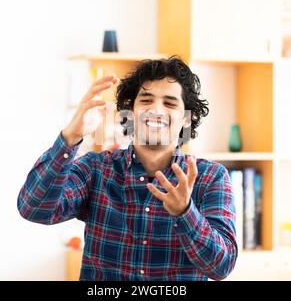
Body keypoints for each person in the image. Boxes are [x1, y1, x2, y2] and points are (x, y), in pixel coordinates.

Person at [17, 56, 238, 280]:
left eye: (170, 103)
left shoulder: (210, 177)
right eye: (146, 100)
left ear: (186, 120)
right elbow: (34, 209)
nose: (156, 110)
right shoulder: (96, 169)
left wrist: (185, 213)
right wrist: (71, 137)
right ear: (130, 113)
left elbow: (222, 266)